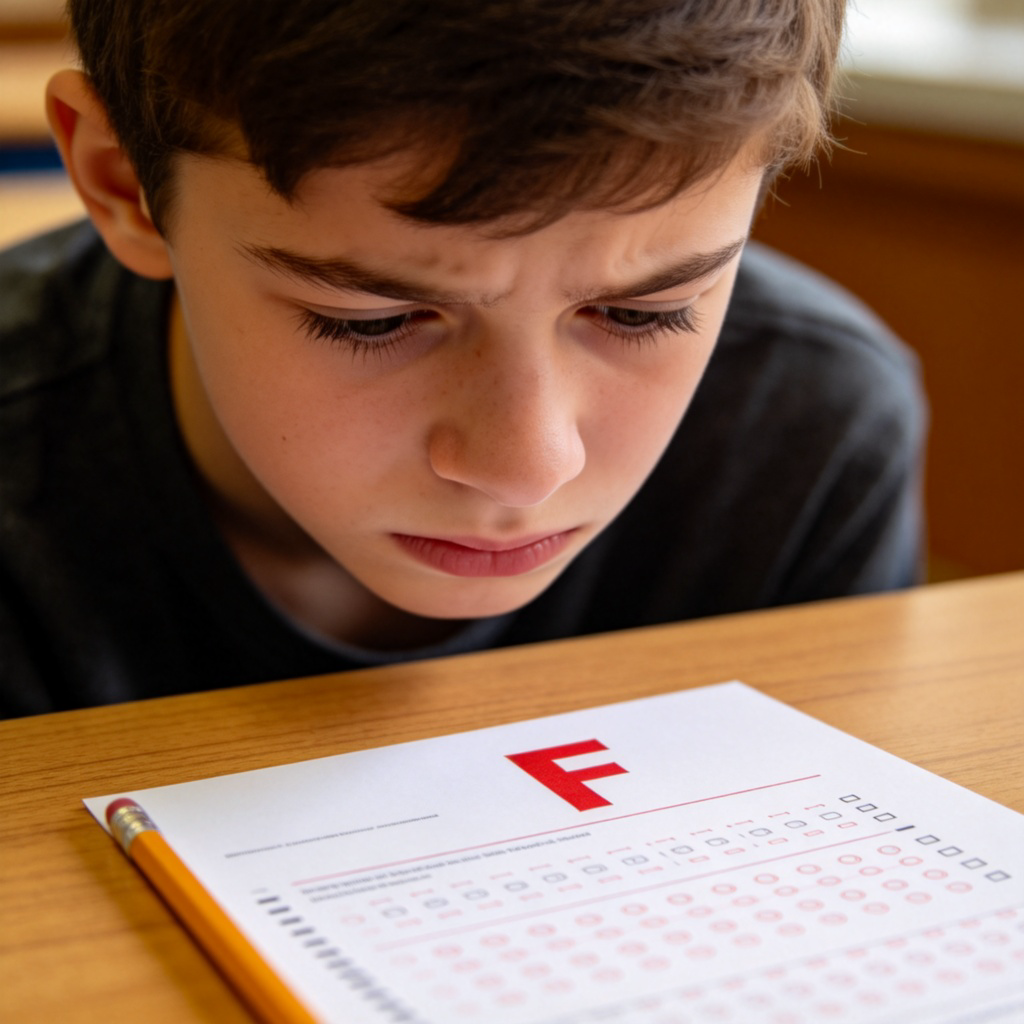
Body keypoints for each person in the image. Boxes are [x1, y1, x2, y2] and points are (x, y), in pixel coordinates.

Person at [0, 0, 926, 718]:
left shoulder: (813, 429)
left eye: (645, 313)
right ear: (122, 182)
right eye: (372, 322)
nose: (527, 468)